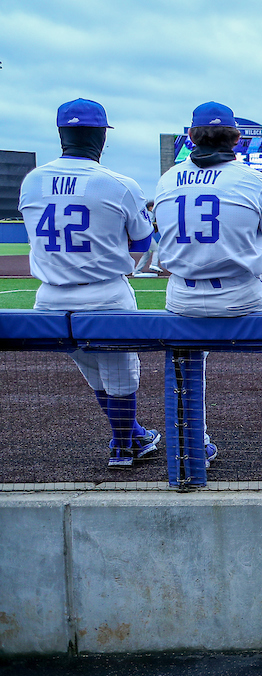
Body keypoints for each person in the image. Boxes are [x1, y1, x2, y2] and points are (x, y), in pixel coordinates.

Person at [154, 101, 262, 470]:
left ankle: (196, 446)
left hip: (182, 295)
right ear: (237, 140)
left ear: (191, 136)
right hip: (242, 293)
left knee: (186, 360)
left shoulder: (167, 180)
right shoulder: (255, 181)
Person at [18, 98, 159, 468]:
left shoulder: (32, 181)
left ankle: (136, 436)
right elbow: (143, 240)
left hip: (49, 300)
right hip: (105, 294)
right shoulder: (119, 184)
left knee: (95, 374)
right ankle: (122, 447)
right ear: (101, 136)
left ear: (62, 134)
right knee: (121, 375)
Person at [131, 200, 161, 277]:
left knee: (146, 253)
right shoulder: (150, 214)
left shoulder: (144, 213)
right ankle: (154, 264)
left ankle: (136, 271)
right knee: (156, 250)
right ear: (150, 207)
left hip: (140, 235)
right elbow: (148, 224)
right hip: (145, 235)